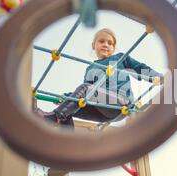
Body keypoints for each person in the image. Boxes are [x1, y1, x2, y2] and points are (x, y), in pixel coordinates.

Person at [34, 28, 163, 129]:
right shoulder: (91, 68)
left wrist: (158, 77)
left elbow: (140, 68)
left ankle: (53, 117)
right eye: (101, 41)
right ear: (93, 45)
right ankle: (68, 141)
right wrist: (66, 97)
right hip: (102, 111)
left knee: (85, 90)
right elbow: (83, 95)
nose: (106, 45)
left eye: (110, 43)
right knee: (70, 107)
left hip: (120, 104)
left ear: (113, 48)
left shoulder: (120, 58)